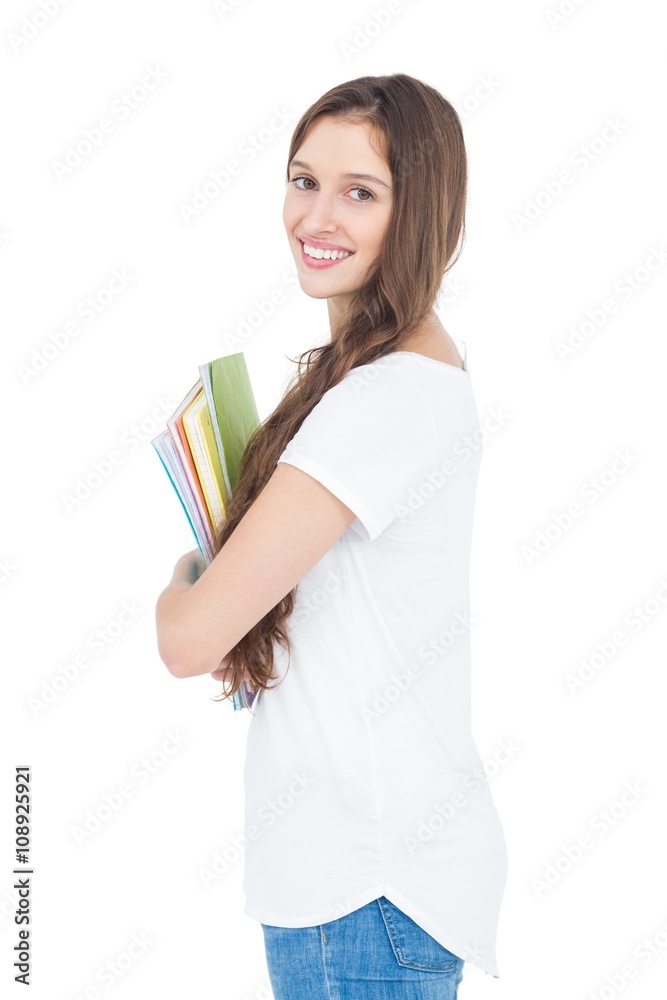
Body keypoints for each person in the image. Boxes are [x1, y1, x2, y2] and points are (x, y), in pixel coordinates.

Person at [156, 73, 508, 999]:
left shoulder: (384, 397)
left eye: (361, 192)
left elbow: (189, 640)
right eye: (303, 179)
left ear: (421, 211)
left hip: (360, 885)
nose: (318, 214)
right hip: (373, 878)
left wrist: (187, 571)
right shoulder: (405, 371)